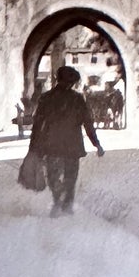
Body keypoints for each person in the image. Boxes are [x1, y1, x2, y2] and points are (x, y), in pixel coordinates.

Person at [28, 64, 104, 215]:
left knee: (53, 175)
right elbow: (87, 122)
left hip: (52, 145)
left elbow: (37, 125)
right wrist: (97, 144)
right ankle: (66, 205)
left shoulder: (47, 98)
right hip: (71, 145)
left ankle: (58, 201)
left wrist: (34, 147)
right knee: (70, 176)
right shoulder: (77, 99)